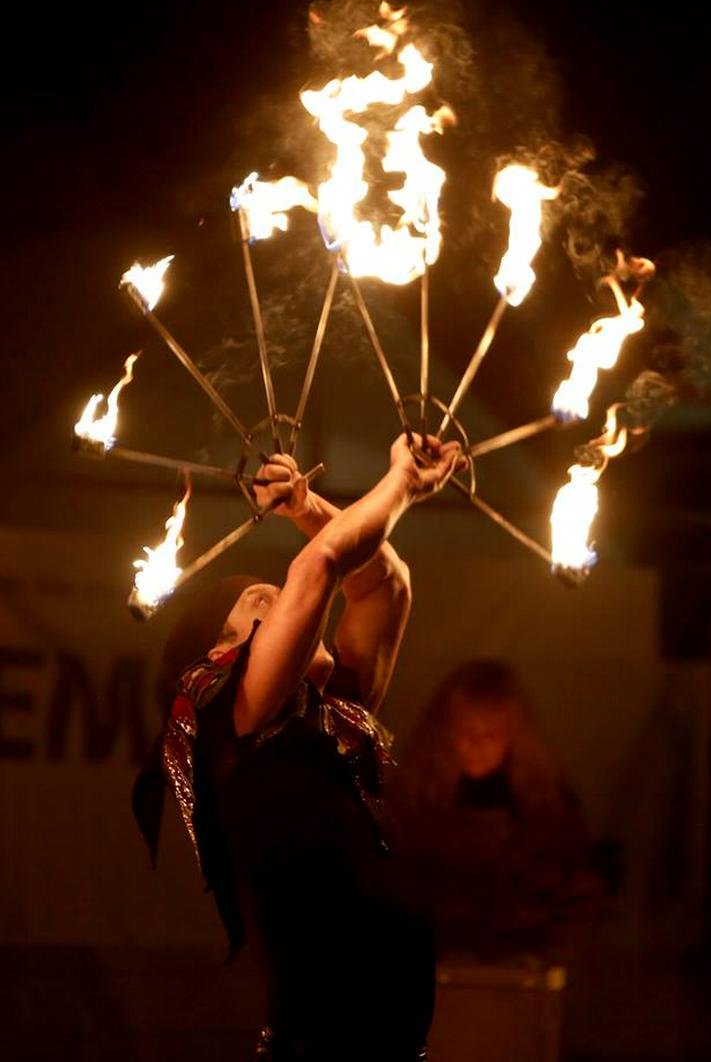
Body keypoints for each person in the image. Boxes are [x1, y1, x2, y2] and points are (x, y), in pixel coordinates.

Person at [133, 433, 463, 1062]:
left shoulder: (335, 719)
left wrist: (306, 507)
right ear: (219, 658)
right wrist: (404, 484)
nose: (289, 602)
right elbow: (320, 566)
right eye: (262, 601)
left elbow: (385, 584)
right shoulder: (237, 728)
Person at [391, 659, 604, 965]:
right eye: (466, 731)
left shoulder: (547, 810)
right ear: (444, 732)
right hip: (429, 971)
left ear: (514, 735)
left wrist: (542, 957)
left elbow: (578, 901)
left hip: (520, 976)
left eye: (490, 734)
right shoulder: (412, 801)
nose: (476, 744)